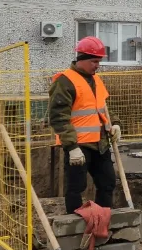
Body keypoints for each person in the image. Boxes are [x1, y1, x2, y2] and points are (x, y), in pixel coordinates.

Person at [48, 36, 121, 215]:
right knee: (76, 187)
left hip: (100, 143)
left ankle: (102, 219)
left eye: (99, 62)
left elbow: (102, 106)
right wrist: (71, 147)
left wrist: (116, 123)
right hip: (79, 146)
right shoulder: (65, 81)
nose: (97, 65)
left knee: (108, 182)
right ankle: (75, 223)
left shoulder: (96, 80)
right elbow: (58, 117)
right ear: (81, 59)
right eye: (94, 61)